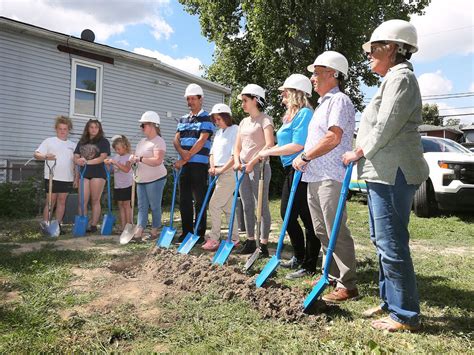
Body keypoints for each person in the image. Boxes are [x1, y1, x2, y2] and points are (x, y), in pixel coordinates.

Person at [342, 20, 428, 332]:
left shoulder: (402, 79)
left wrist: (357, 151)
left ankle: (404, 314)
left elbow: (386, 125)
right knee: (382, 240)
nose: (369, 56)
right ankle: (390, 301)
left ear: (391, 49)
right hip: (384, 172)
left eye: (373, 49)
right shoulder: (391, 79)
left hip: (395, 172)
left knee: (392, 243)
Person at [293, 51, 358, 302]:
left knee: (335, 230)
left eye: (317, 73)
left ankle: (348, 285)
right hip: (315, 175)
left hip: (330, 175)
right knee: (321, 229)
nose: (312, 78)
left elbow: (333, 137)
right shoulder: (322, 104)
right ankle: (330, 277)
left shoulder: (339, 101)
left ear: (334, 74)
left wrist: (306, 156)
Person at [258, 74, 321, 279]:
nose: (282, 95)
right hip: (290, 169)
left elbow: (298, 145)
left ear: (295, 92)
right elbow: (283, 144)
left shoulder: (304, 114)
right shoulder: (290, 117)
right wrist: (267, 150)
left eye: (285, 91)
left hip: (302, 169)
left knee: (307, 218)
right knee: (287, 215)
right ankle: (299, 256)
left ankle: (309, 265)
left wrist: (268, 152)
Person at [233, 84, 274, 256]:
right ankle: (250, 240)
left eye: (245, 100)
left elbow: (269, 144)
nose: (242, 104)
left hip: (260, 168)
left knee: (261, 207)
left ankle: (263, 245)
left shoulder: (265, 120)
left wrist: (253, 161)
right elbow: (237, 147)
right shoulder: (243, 122)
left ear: (255, 100)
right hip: (242, 168)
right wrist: (237, 161)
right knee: (247, 205)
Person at [173, 84, 215, 244]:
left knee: (199, 200)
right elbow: (176, 139)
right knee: (184, 199)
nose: (190, 101)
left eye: (193, 99)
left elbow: (202, 140)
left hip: (199, 165)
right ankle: (186, 232)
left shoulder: (207, 118)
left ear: (200, 99)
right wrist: (181, 152)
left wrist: (184, 158)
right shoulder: (183, 119)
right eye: (188, 99)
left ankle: (199, 233)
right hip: (185, 165)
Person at [202, 103, 240, 251]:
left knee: (214, 204)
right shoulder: (218, 133)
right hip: (219, 173)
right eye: (214, 120)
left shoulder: (235, 130)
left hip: (229, 172)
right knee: (227, 207)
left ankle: (214, 238)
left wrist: (221, 169)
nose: (216, 122)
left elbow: (234, 155)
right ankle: (235, 237)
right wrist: (212, 167)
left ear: (226, 116)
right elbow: (212, 153)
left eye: (218, 119)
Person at [34, 116, 76, 234]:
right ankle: (46, 226)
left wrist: (76, 176)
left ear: (69, 130)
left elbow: (75, 162)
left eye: (65, 129)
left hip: (67, 177)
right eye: (60, 128)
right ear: (56, 129)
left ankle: (57, 226)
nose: (62, 131)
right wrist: (46, 156)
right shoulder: (49, 141)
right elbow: (36, 154)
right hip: (52, 177)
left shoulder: (73, 145)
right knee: (50, 202)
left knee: (62, 201)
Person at [129, 111, 167, 241]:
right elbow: (138, 157)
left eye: (143, 125)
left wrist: (139, 158)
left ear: (152, 125)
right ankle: (139, 230)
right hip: (141, 179)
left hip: (155, 179)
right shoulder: (141, 142)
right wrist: (133, 158)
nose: (141, 128)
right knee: (142, 206)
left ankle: (155, 230)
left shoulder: (159, 142)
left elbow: (157, 161)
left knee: (154, 205)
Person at [74, 119, 110, 233]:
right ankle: (82, 223)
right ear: (87, 129)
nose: (94, 129)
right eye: (91, 127)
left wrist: (87, 162)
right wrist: (77, 161)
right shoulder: (82, 141)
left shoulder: (103, 141)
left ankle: (93, 225)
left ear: (99, 129)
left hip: (98, 173)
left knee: (95, 200)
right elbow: (75, 156)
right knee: (82, 201)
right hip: (84, 173)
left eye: (96, 127)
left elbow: (102, 157)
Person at [104, 135, 133, 232]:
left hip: (127, 184)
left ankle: (129, 225)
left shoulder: (129, 157)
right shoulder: (116, 157)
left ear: (125, 147)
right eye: (115, 149)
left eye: (118, 149)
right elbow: (112, 171)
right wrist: (108, 165)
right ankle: (123, 225)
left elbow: (126, 169)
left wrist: (115, 163)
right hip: (118, 185)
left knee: (126, 205)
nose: (117, 151)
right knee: (120, 205)